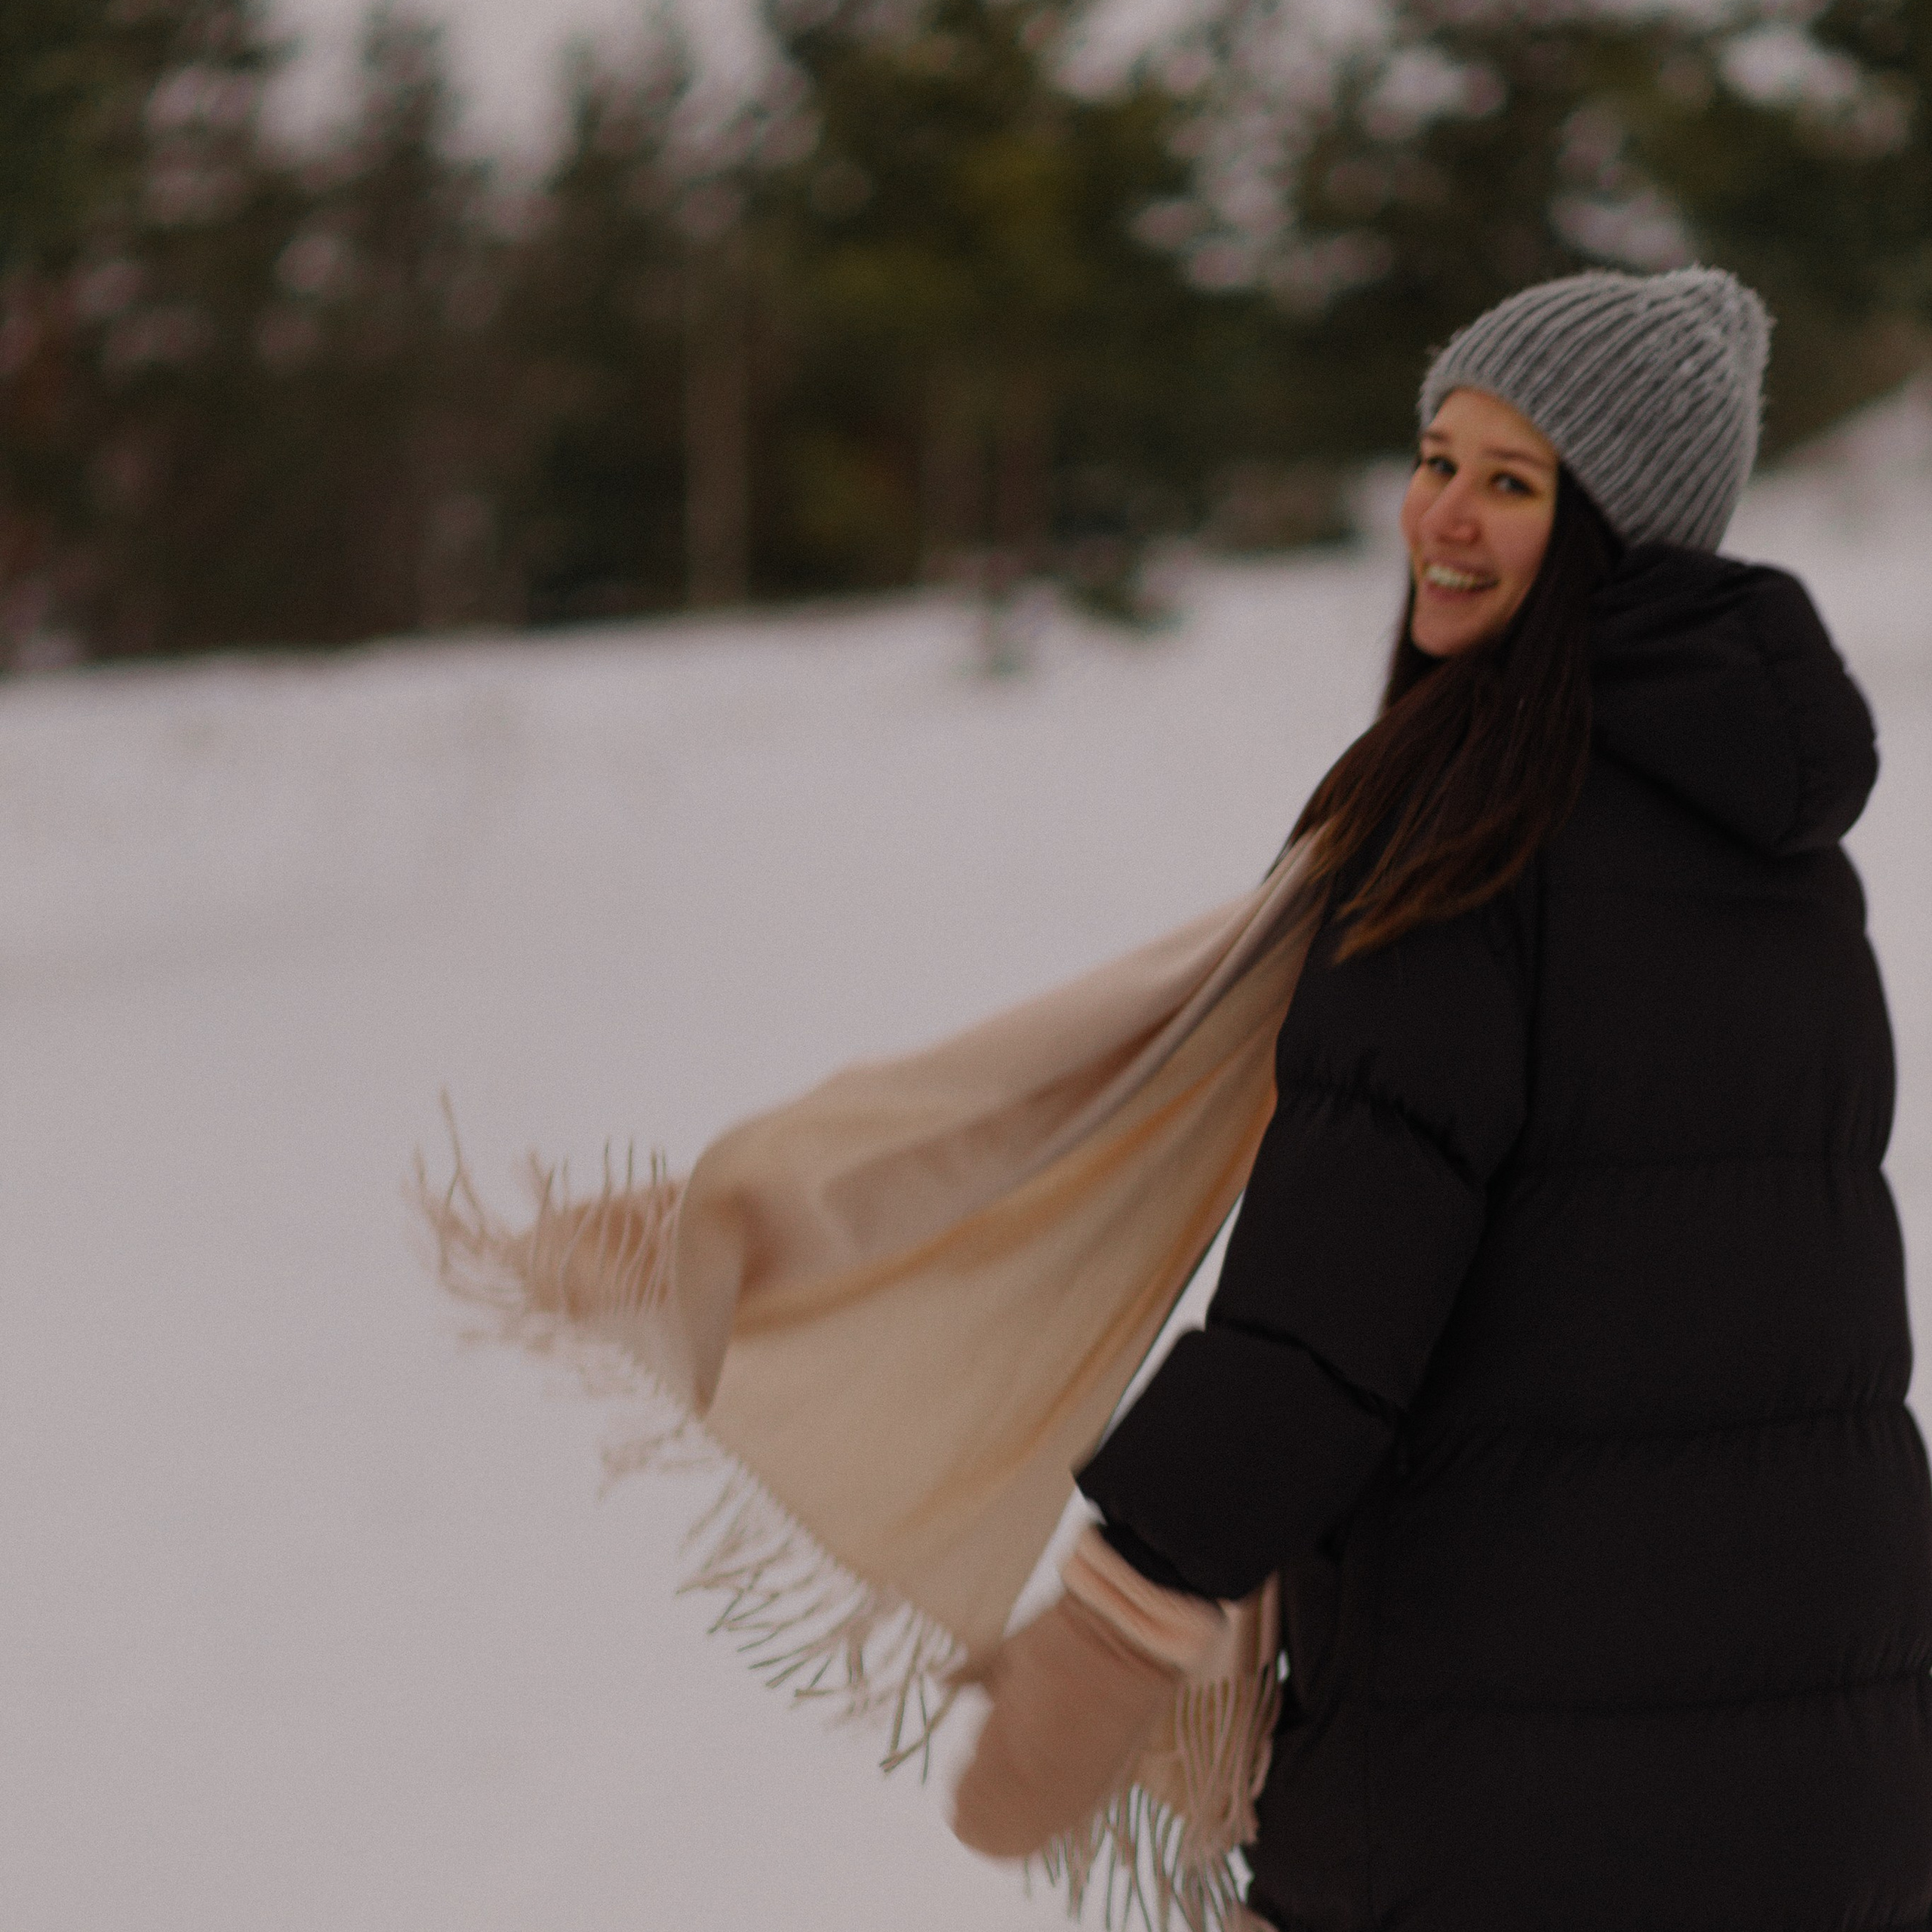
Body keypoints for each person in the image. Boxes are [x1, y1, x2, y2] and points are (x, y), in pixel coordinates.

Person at [952, 267, 1932, 1927]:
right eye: (1433, 455)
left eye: (1511, 480)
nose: (1441, 517)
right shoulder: (1784, 856)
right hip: (1826, 1788)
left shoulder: (1470, 839)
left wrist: (1123, 1608)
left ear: (1612, 530)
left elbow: (1330, 1308)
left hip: (1502, 1781)